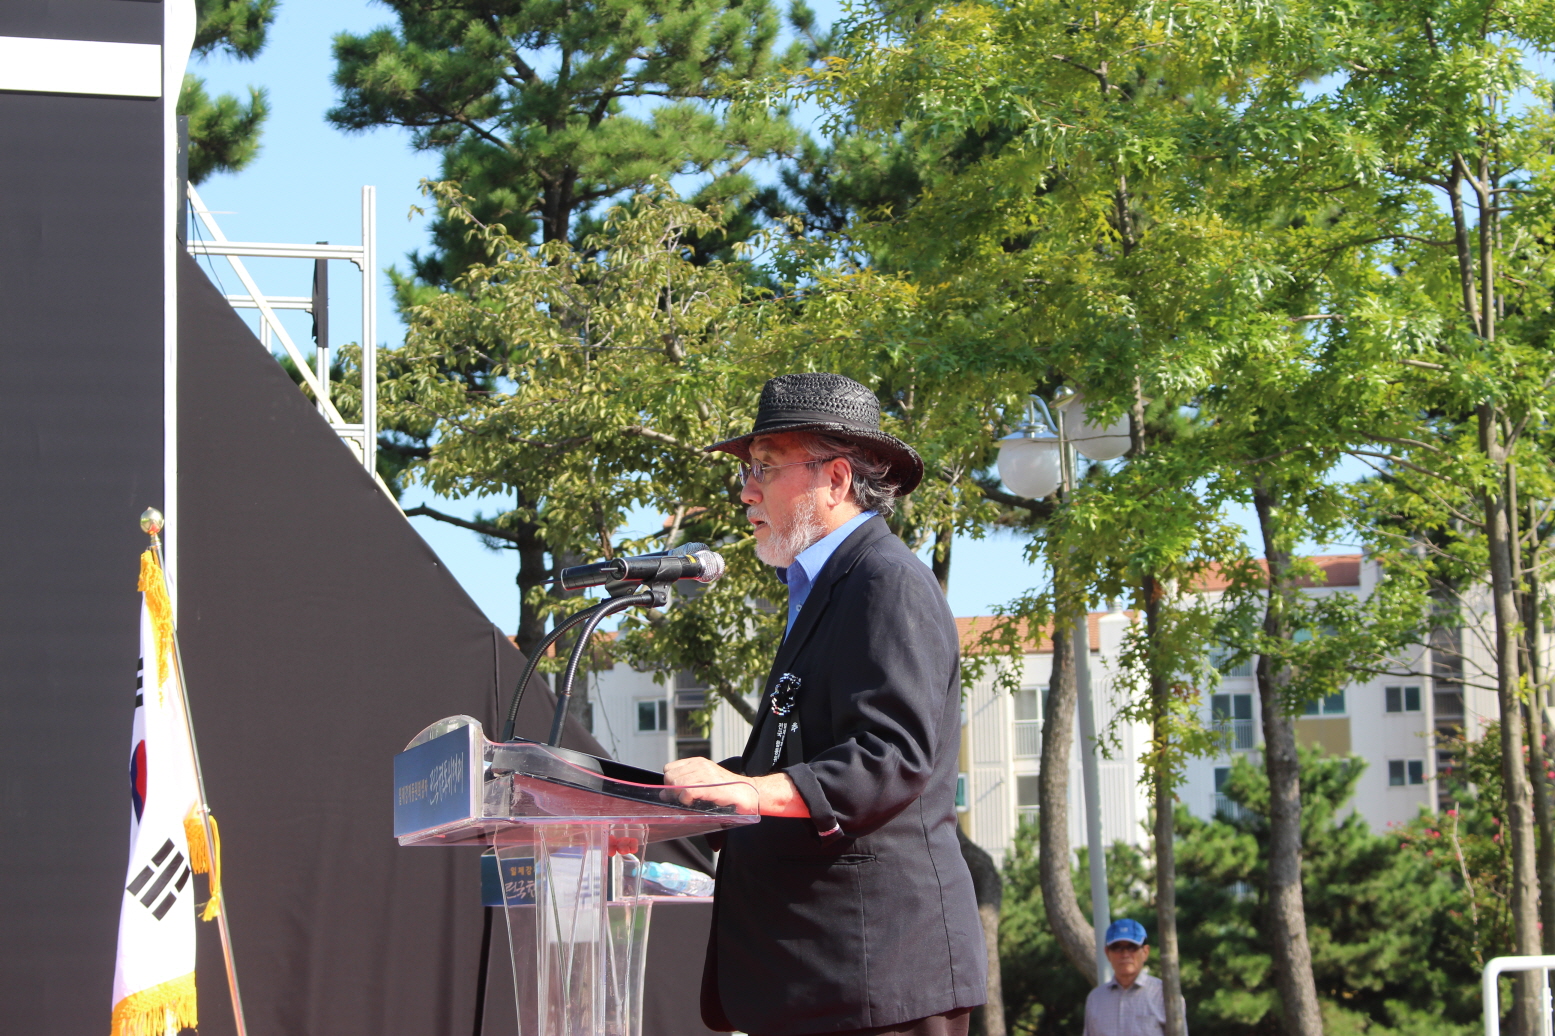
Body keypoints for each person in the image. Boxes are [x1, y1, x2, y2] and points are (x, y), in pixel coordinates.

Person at [663, 373, 986, 1036]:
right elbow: (802, 754)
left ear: (834, 479)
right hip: (821, 980)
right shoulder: (824, 588)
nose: (745, 490)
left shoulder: (885, 581)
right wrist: (645, 812)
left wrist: (749, 793)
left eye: (764, 467)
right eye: (748, 471)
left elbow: (892, 758)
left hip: (875, 974)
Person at [1083, 919, 1185, 1036]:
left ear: (1145, 952)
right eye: (1117, 947)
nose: (1125, 954)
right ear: (1107, 953)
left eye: (1132, 947)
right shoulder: (1095, 998)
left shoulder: (1165, 995)